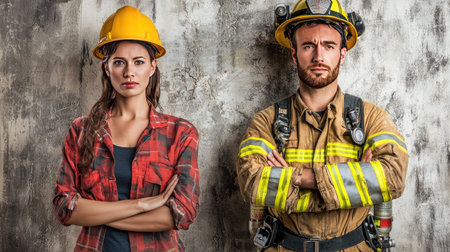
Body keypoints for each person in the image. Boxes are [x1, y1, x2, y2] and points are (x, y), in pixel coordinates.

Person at [236, 0, 408, 251]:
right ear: (294, 53)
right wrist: (355, 178)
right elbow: (251, 181)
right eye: (308, 46)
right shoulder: (267, 121)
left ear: (342, 52)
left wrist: (298, 179)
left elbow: (393, 176)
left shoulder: (370, 117)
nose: (318, 56)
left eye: (329, 46)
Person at [53, 6, 199, 252]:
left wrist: (95, 212)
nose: (129, 72)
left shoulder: (180, 133)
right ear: (107, 68)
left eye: (139, 62)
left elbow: (182, 213)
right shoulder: (81, 130)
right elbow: (65, 207)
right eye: (119, 62)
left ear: (152, 67)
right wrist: (143, 205)